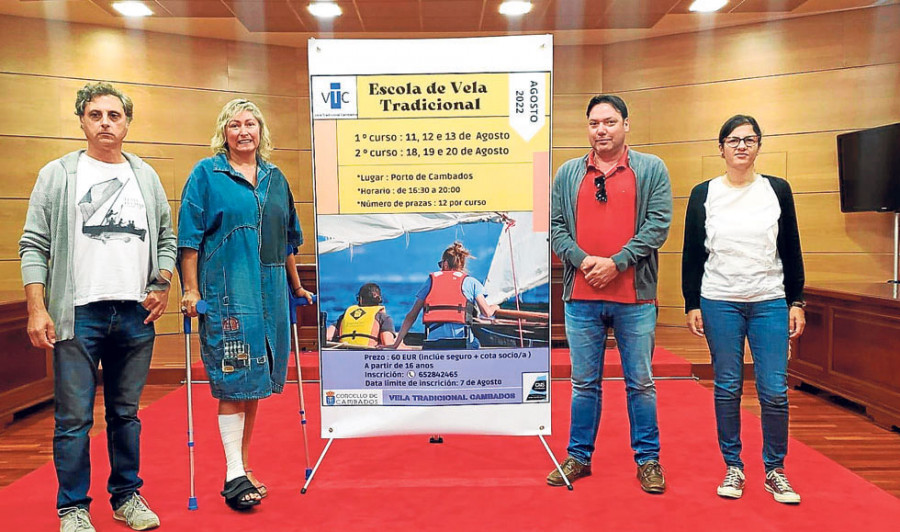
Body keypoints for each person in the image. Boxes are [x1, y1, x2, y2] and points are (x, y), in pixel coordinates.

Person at [19, 82, 173, 532]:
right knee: (73, 419)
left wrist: (161, 283)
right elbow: (33, 243)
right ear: (82, 121)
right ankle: (73, 507)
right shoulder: (59, 174)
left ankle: (126, 497)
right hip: (77, 314)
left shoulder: (145, 175)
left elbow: (165, 238)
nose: (105, 122)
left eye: (114, 115)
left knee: (125, 414)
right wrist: (36, 307)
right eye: (95, 115)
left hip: (134, 314)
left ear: (127, 123)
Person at [178, 99, 312, 511]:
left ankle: (243, 464)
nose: (243, 131)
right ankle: (234, 472)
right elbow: (189, 239)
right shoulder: (206, 174)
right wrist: (190, 290)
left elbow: (288, 239)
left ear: (260, 131)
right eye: (234, 125)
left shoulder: (276, 178)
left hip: (270, 292)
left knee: (254, 382)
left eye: (250, 124)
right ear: (224, 132)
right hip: (227, 291)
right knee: (235, 378)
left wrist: (296, 287)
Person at [547, 94, 672, 493]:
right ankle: (578, 456)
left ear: (625, 125)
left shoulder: (651, 169)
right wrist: (584, 261)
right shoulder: (568, 172)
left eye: (610, 122)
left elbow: (658, 225)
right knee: (584, 384)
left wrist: (617, 262)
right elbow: (555, 227)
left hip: (635, 297)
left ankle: (649, 461)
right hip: (581, 297)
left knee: (640, 383)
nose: (601, 130)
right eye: (594, 123)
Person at [682, 114, 806, 504]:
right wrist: (691, 302)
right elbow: (692, 254)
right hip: (720, 299)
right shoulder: (704, 193)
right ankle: (733, 465)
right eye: (733, 140)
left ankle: (775, 470)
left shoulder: (777, 190)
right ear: (721, 148)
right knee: (728, 387)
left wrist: (796, 300)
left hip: (769, 299)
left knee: (774, 390)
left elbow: (791, 249)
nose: (741, 146)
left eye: (749, 140)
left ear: (758, 147)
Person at [393, 242, 498, 350]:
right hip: (461, 342)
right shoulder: (471, 282)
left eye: (440, 264)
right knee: (476, 343)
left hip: (434, 342)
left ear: (446, 264)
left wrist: (396, 344)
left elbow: (411, 316)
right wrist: (495, 307)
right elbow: (486, 313)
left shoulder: (431, 281)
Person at [327, 283, 397, 347]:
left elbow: (328, 336)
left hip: (344, 352)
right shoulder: (383, 317)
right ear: (379, 299)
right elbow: (387, 344)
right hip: (367, 354)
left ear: (360, 299)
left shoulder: (345, 315)